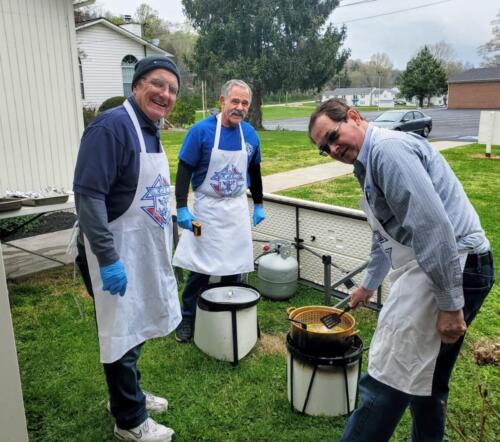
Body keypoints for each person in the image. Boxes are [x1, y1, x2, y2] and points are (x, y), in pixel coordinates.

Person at [308, 99, 495, 441]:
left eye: (334, 136)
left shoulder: (387, 152)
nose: (333, 148)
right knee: (428, 379)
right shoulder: (366, 164)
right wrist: (367, 286)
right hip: (446, 263)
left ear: (353, 116)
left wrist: (451, 305)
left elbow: (432, 227)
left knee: (388, 374)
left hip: (456, 263)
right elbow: (385, 235)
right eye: (325, 148)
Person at [73, 55, 182, 442]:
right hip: (113, 253)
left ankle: (126, 396)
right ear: (136, 85)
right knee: (121, 332)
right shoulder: (111, 128)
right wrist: (108, 259)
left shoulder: (149, 128)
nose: (165, 94)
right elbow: (88, 198)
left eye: (171, 89)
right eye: (157, 84)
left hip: (139, 250)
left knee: (132, 331)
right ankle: (130, 421)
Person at [172, 79, 265, 343]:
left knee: (232, 267)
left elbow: (255, 171)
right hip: (207, 210)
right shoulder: (200, 132)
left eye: (245, 103)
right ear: (222, 101)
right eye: (235, 101)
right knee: (200, 268)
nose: (240, 107)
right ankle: (188, 317)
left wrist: (258, 203)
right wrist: (181, 206)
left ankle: (226, 314)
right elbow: (184, 170)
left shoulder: (250, 134)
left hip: (236, 209)